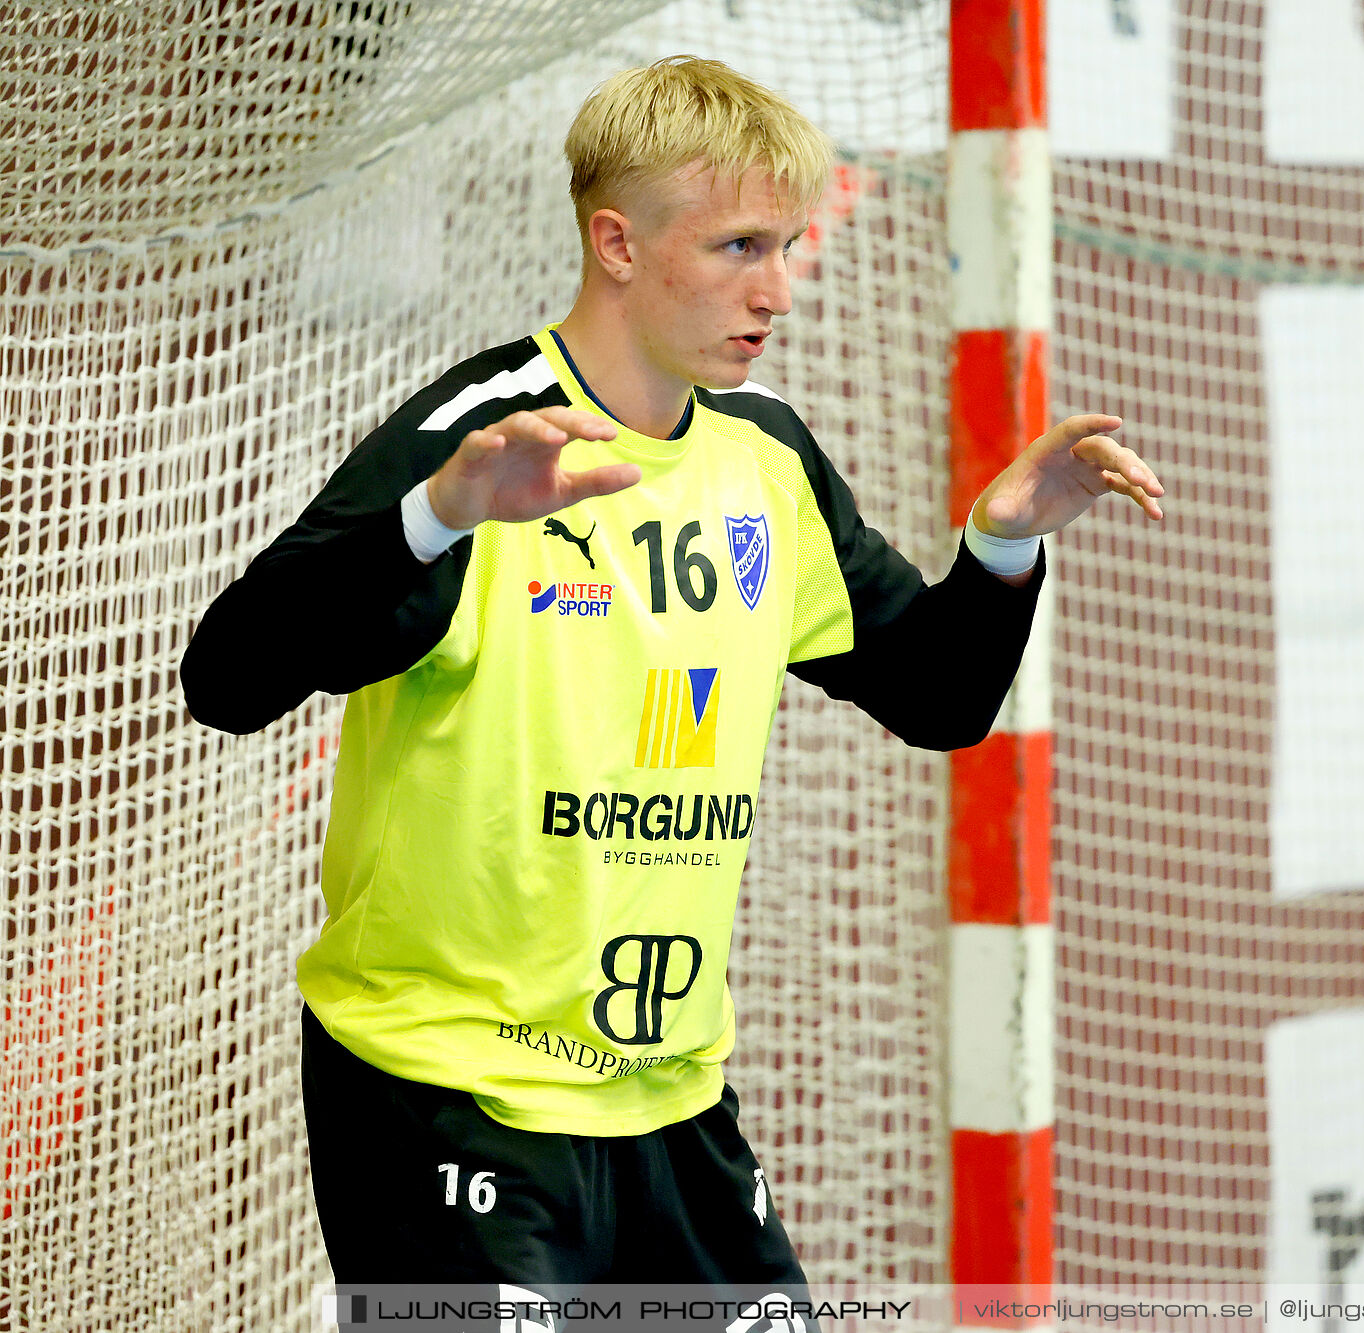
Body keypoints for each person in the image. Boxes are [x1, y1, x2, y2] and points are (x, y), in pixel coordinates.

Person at [181, 54, 1163, 1305]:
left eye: (789, 246)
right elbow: (227, 677)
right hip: (452, 1099)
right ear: (617, 244)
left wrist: (1004, 540)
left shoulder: (762, 458)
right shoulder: (482, 437)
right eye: (739, 246)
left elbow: (934, 694)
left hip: (671, 1104)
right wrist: (435, 515)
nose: (778, 288)